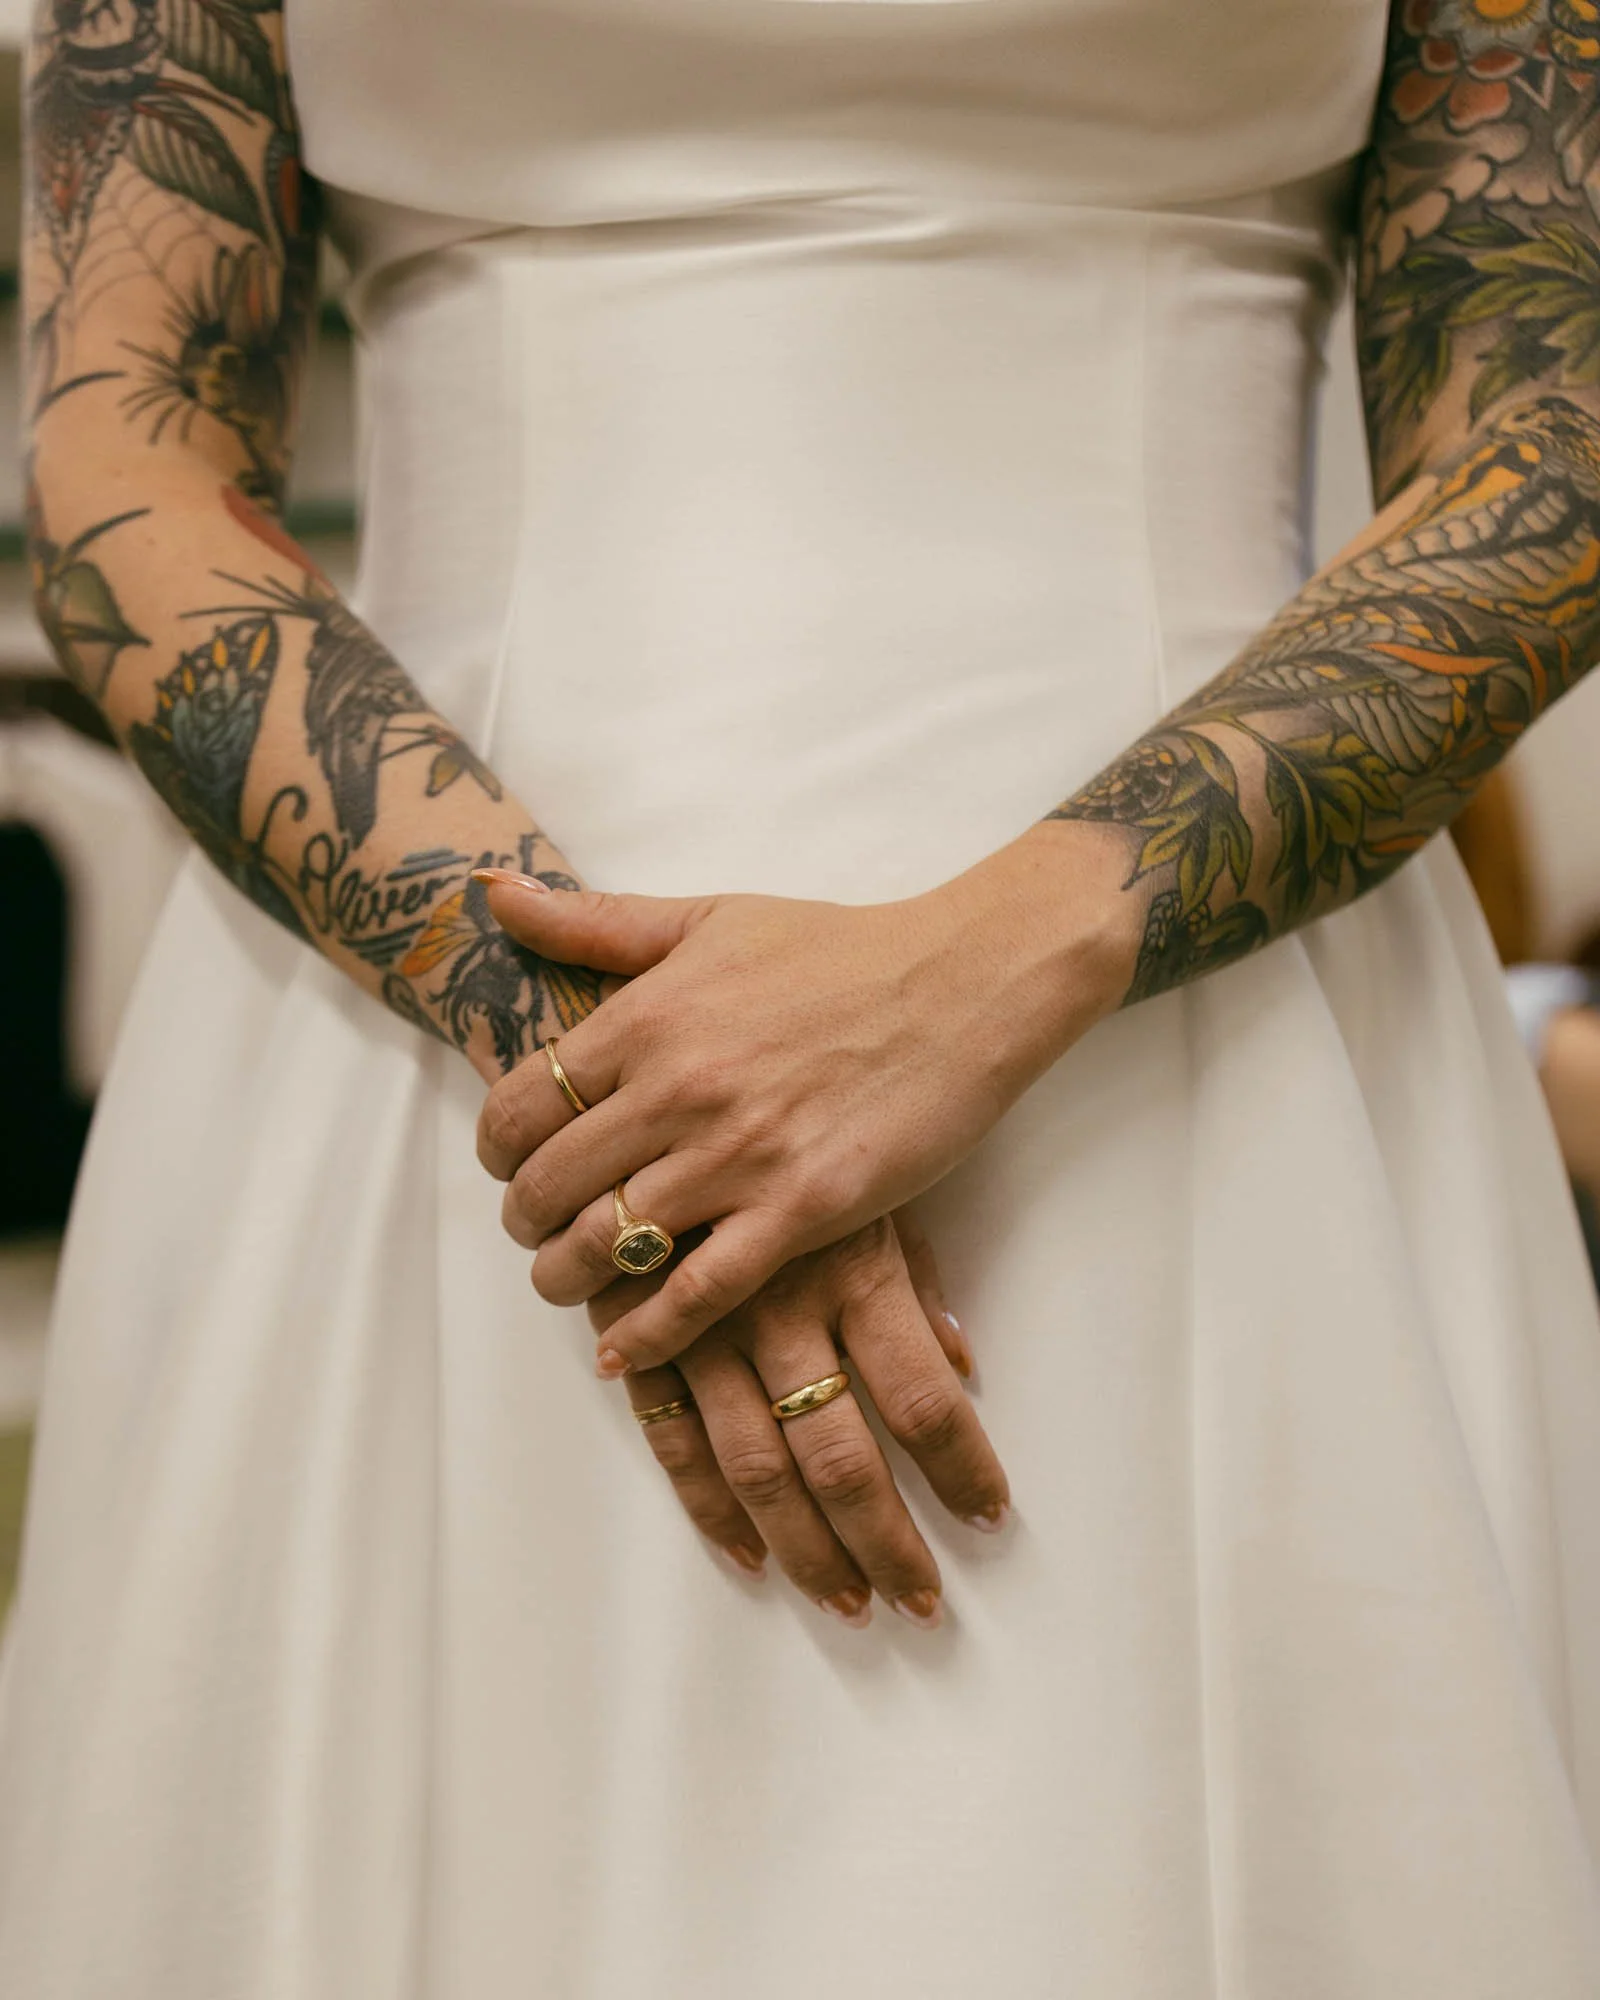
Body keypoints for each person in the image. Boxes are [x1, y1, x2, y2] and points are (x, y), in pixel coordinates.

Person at [3, 0, 1599, 1991]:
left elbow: (1541, 438)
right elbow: (118, 441)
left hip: (1203, 1036)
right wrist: (612, 1072)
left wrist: (1007, 952)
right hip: (435, 1050)